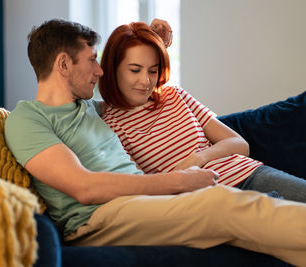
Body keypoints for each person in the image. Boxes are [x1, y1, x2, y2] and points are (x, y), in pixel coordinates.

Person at [5, 18, 306, 266]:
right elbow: (85, 188)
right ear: (63, 64)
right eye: (92, 60)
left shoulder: (89, 108)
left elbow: (130, 83)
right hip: (98, 219)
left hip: (141, 206)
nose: (99, 70)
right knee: (219, 204)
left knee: (256, 239)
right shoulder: (28, 119)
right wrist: (178, 181)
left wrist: (155, 39)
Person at [99, 21, 306, 203]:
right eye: (135, 70)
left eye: (152, 71)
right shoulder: (110, 126)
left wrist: (198, 159)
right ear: (113, 68)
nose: (146, 81)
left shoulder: (174, 95)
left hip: (250, 174)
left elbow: (239, 144)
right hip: (207, 202)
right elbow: (141, 190)